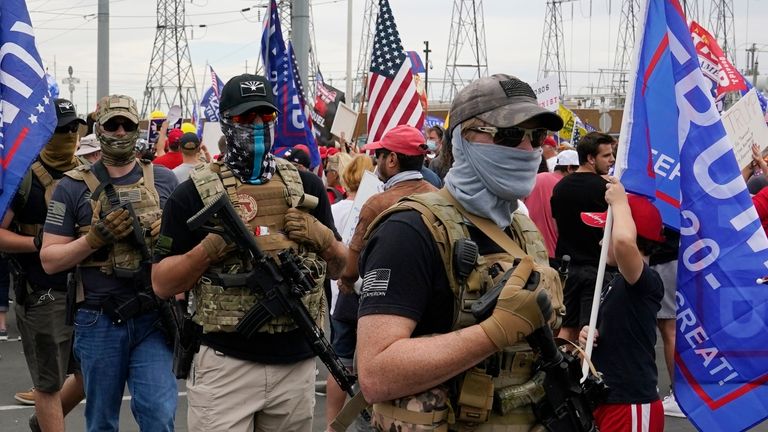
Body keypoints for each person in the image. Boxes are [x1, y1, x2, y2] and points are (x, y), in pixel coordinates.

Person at [354, 74, 565, 431]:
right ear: (462, 140)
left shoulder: (523, 230)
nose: (528, 150)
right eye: (510, 135)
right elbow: (375, 373)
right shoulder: (409, 230)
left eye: (537, 137)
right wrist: (495, 331)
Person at [151, 73, 348, 432]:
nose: (257, 126)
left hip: (297, 361)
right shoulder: (193, 193)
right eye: (245, 119)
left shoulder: (307, 186)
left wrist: (324, 239)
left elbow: (340, 269)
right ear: (226, 122)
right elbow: (162, 284)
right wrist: (208, 250)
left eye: (265, 118)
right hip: (226, 365)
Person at [40, 94, 179, 432]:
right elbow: (49, 259)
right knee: (101, 420)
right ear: (98, 129)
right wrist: (93, 239)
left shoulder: (163, 180)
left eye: (126, 125)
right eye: (111, 125)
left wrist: (166, 237)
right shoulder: (71, 187)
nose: (119, 132)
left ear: (137, 129)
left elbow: (183, 250)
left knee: (160, 415)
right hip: (99, 319)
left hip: (151, 317)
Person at [0, 98, 88, 431]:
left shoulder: (86, 174)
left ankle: (43, 423)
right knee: (48, 383)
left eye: (71, 128)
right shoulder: (24, 176)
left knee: (91, 375)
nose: (67, 134)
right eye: (59, 128)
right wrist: (37, 244)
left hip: (89, 292)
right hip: (43, 293)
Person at [578, 179, 666, 432]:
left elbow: (624, 244)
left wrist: (619, 202)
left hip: (631, 402)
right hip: (609, 397)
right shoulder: (618, 280)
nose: (600, 242)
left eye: (608, 232)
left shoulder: (647, 281)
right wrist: (592, 333)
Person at [550, 131, 616, 342]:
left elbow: (557, 225)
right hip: (596, 269)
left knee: (566, 329)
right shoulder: (605, 189)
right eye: (606, 155)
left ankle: (560, 372)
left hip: (568, 269)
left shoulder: (560, 187)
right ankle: (584, 374)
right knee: (590, 334)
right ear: (590, 158)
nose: (612, 160)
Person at [524, 149, 579, 262]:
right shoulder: (567, 188)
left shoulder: (537, 178)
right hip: (554, 253)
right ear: (569, 168)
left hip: (527, 247)